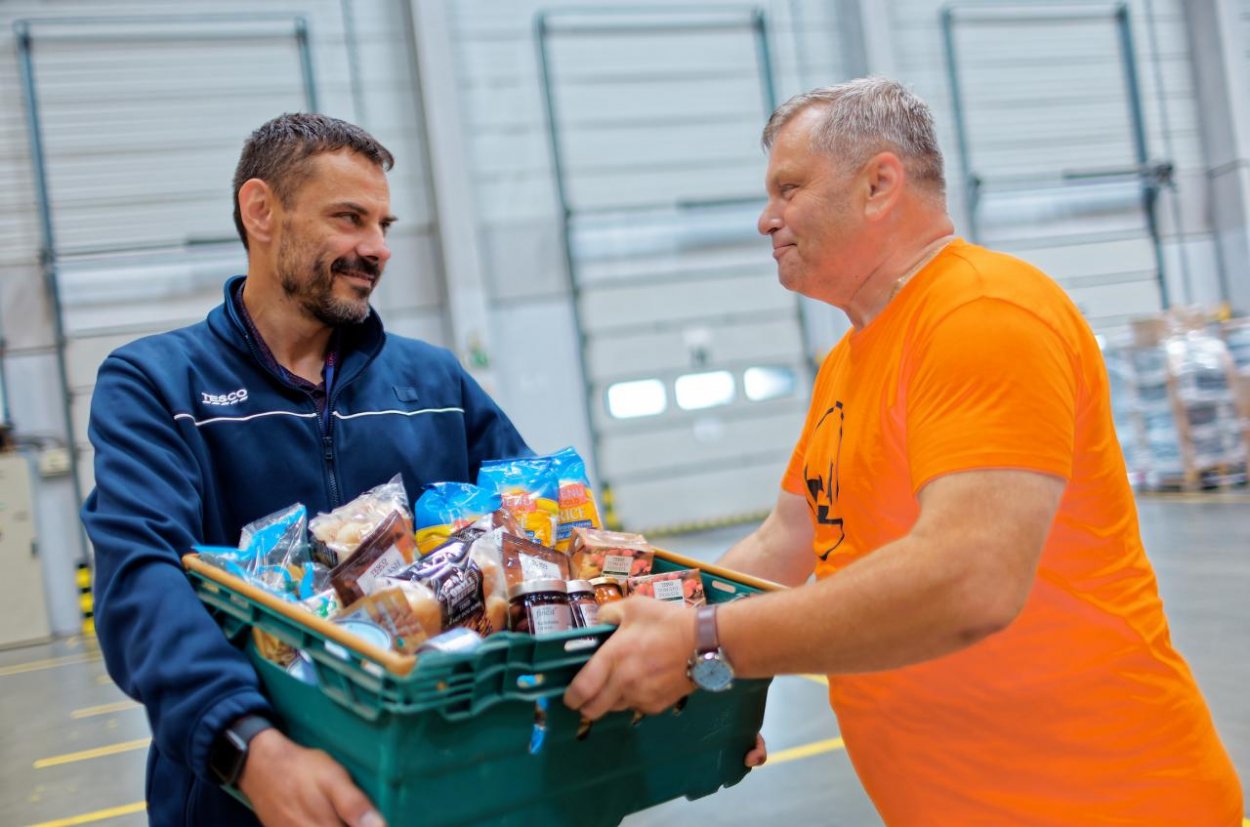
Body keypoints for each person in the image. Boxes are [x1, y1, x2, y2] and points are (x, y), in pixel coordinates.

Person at [565, 78, 1244, 825]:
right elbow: (784, 542)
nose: (766, 219)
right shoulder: (849, 362)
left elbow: (970, 577)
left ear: (879, 184)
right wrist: (651, 630)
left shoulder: (983, 315)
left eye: (789, 189)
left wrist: (703, 641)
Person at [81, 114, 530, 826]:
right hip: (246, 797)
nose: (377, 248)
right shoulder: (157, 385)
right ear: (261, 211)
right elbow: (141, 581)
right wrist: (247, 747)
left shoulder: (434, 382)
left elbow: (538, 532)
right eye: (349, 218)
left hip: (441, 779)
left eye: (383, 224)